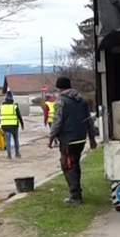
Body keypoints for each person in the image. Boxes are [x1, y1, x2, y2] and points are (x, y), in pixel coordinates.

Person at [48, 76, 97, 205]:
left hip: (68, 140)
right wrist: (92, 138)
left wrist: (51, 137)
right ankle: (76, 192)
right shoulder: (82, 100)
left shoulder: (61, 101)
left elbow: (57, 121)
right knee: (74, 165)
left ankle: (75, 196)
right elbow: (89, 121)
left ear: (59, 88)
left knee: (68, 166)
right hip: (80, 139)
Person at [0, 92, 23, 159]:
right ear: (12, 98)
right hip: (14, 126)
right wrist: (22, 124)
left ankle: (9, 155)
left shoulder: (1, 106)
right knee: (16, 139)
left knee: (7, 140)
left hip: (5, 126)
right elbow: (19, 116)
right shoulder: (14, 106)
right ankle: (17, 153)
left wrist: (1, 122)